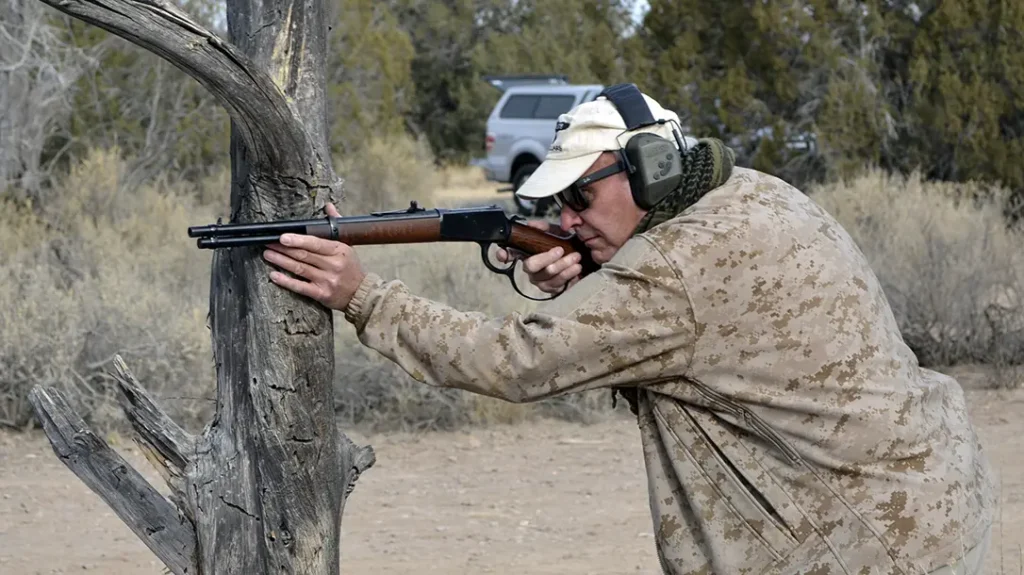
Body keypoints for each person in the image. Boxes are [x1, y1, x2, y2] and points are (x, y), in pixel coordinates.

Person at [261, 84, 996, 574]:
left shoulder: (672, 267)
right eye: (557, 203)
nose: (567, 218)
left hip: (859, 548)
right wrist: (595, 272)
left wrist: (364, 297)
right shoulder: (753, 193)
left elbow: (515, 362)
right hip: (926, 503)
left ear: (651, 169)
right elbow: (705, 337)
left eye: (580, 196)